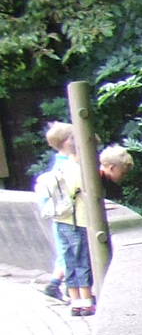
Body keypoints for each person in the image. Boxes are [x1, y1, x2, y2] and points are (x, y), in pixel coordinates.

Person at [33, 133, 96, 317]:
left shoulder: (59, 169)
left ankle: (75, 302)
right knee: (82, 261)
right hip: (78, 221)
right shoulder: (77, 170)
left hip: (60, 221)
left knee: (69, 261)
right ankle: (86, 302)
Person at [38, 122, 74, 301]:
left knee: (64, 251)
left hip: (60, 214)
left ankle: (59, 285)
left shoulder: (59, 161)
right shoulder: (66, 164)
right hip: (67, 215)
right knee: (68, 252)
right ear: (67, 142)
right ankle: (58, 285)